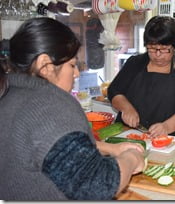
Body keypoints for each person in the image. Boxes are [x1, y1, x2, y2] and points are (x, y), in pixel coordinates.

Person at [0, 17, 146, 200]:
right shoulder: (50, 105)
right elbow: (98, 186)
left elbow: (46, 148)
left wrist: (110, 149)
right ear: (45, 65)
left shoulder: (9, 93)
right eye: (72, 65)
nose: (77, 73)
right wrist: (132, 159)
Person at [107, 16, 175, 143]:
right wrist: (126, 108)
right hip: (133, 137)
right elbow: (114, 91)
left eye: (163, 49)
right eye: (152, 48)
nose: (157, 55)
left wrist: (166, 127)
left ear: (174, 47)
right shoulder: (135, 63)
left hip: (173, 139)